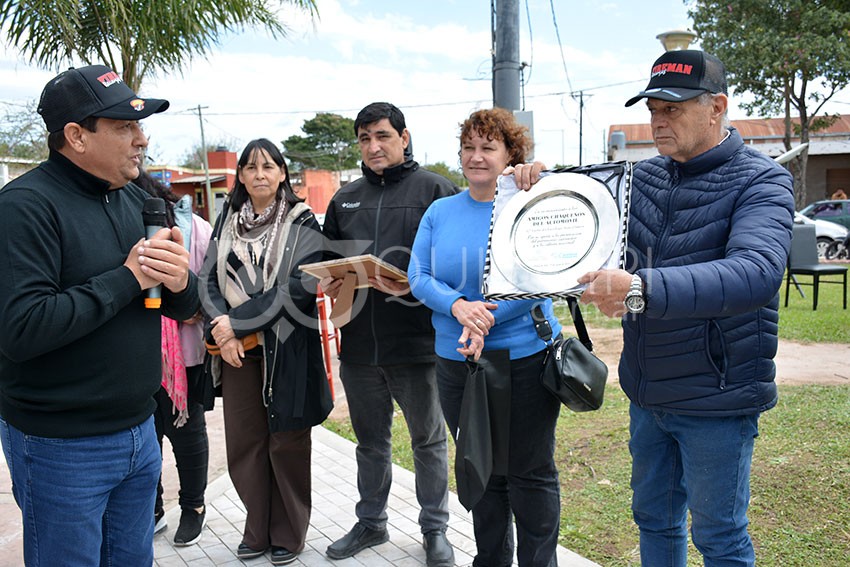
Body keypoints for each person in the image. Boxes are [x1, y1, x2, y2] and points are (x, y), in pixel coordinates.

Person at [578, 50, 795, 567]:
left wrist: (637, 287)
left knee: (720, 538)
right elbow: (580, 223)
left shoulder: (761, 180)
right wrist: (536, 185)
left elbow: (756, 272)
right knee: (654, 521)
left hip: (717, 397)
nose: (657, 119)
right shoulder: (642, 178)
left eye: (673, 108)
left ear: (717, 107)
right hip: (647, 391)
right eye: (653, 107)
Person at [0, 65, 199, 565]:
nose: (141, 139)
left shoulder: (137, 198)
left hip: (139, 432)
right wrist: (127, 277)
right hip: (60, 447)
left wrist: (178, 282)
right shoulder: (24, 207)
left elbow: (184, 304)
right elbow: (21, 329)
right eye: (123, 127)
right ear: (75, 136)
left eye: (139, 125)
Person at [408, 107, 562, 567]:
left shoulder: (530, 204)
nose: (476, 157)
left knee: (530, 473)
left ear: (510, 154)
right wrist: (459, 307)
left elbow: (544, 274)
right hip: (457, 364)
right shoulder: (440, 211)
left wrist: (484, 319)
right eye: (468, 147)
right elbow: (419, 274)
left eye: (488, 147)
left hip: (525, 359)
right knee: (484, 470)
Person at [320, 102, 458, 566]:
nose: (373, 147)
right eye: (364, 139)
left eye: (382, 136)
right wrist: (333, 278)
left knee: (428, 441)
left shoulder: (437, 192)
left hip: (418, 345)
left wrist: (410, 285)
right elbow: (330, 264)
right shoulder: (344, 199)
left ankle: (435, 529)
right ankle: (371, 523)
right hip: (359, 347)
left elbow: (456, 268)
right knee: (370, 442)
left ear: (404, 136)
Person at [200, 138, 333, 565]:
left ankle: (288, 532)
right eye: (251, 167)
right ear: (239, 175)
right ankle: (256, 527)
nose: (260, 174)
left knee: (287, 443)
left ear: (282, 174)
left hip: (286, 351)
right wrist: (225, 333)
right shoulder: (226, 219)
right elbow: (207, 281)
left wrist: (237, 323)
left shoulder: (303, 221)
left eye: (268, 167)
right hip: (237, 354)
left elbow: (300, 286)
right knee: (245, 444)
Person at [134, 171, 214, 546]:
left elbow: (214, 281)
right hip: (137, 351)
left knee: (188, 433)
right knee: (146, 437)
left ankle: (193, 507)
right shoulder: (123, 232)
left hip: (184, 351)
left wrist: (195, 304)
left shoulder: (195, 229)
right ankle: (152, 510)